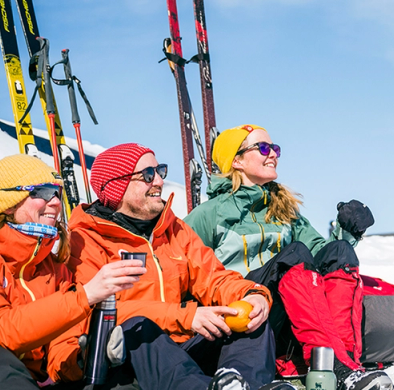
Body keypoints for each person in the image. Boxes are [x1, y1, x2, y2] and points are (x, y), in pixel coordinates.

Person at [0, 154, 146, 389]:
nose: (54, 202)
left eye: (57, 193)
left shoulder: (54, 269)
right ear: (7, 204)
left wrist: (85, 358)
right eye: (41, 192)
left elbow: (58, 353)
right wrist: (85, 296)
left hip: (22, 381)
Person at [67, 143, 294, 390]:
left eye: (160, 171)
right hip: (134, 360)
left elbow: (214, 278)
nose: (159, 182)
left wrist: (254, 295)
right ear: (116, 185)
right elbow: (93, 313)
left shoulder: (173, 229)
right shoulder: (86, 239)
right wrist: (185, 317)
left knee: (251, 321)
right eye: (147, 175)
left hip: (185, 349)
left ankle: (238, 383)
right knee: (137, 327)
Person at [184, 125, 393, 390]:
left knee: (338, 251)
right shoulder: (209, 215)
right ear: (236, 160)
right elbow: (179, 264)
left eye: (275, 148)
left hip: (284, 319)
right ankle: (338, 367)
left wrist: (349, 232)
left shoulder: (284, 211)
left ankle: (343, 364)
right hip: (241, 318)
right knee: (294, 255)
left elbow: (321, 256)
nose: (273, 154)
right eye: (263, 148)